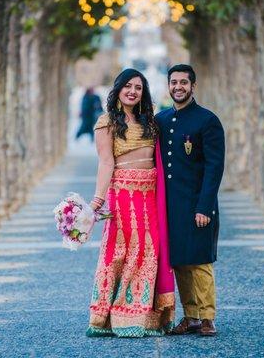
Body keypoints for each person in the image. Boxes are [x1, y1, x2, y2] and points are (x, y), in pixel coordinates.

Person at [87, 68, 175, 337]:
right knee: (123, 253)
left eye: (138, 87)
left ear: (143, 93)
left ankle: (146, 316)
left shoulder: (150, 121)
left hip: (151, 196)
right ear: (118, 89)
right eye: (128, 86)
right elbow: (105, 163)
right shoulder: (106, 123)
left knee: (150, 252)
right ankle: (114, 317)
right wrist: (96, 202)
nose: (132, 91)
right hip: (123, 196)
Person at [155, 64, 225, 337]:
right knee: (180, 261)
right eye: (174, 82)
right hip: (171, 207)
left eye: (184, 82)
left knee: (200, 262)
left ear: (193, 86)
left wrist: (205, 206)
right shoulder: (161, 120)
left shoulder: (207, 120)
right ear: (168, 86)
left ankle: (207, 316)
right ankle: (191, 316)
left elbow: (214, 167)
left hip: (198, 205)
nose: (178, 87)